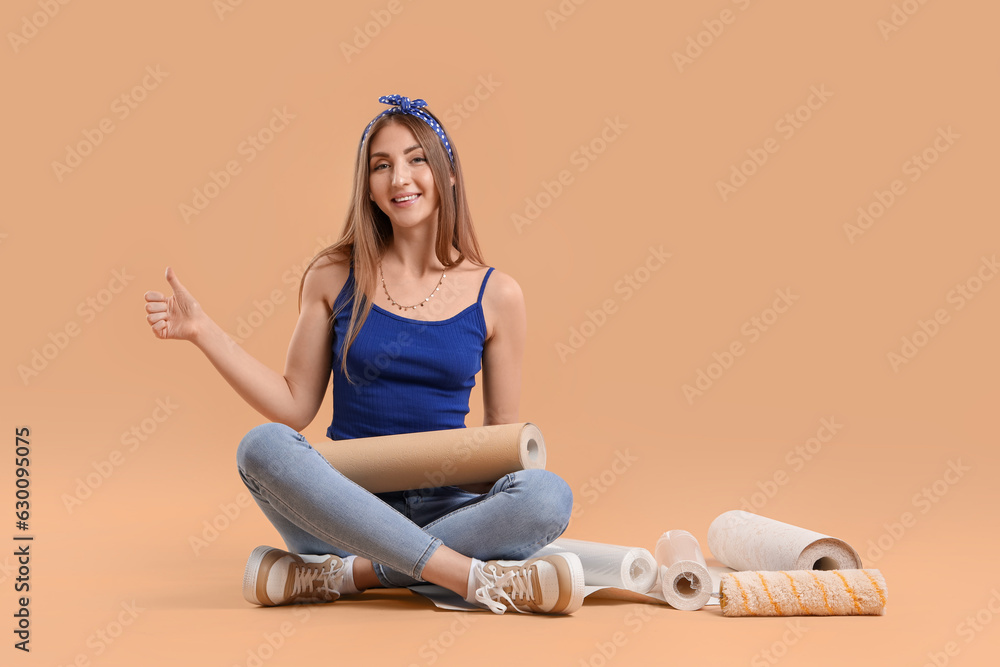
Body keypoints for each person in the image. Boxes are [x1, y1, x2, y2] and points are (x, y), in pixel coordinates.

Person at [142, 94, 585, 615]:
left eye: (417, 158)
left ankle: (346, 578)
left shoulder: (498, 294)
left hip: (448, 507)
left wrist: (504, 504)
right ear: (369, 188)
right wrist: (202, 330)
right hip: (343, 508)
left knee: (547, 495)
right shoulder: (332, 276)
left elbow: (501, 438)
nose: (400, 177)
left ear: (448, 175)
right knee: (262, 446)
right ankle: (462, 575)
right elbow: (293, 405)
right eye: (382, 165)